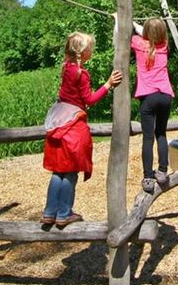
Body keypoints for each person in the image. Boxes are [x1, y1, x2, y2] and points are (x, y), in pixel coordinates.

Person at [41, 33, 123, 228]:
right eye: (90, 48)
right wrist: (108, 84)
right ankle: (63, 213)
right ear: (83, 52)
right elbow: (90, 100)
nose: (92, 51)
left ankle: (49, 212)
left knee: (58, 171)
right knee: (70, 172)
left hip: (59, 120)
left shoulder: (66, 68)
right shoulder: (81, 74)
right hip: (73, 124)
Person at [132, 18, 175, 193]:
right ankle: (163, 170)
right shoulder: (165, 45)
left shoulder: (137, 42)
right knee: (161, 133)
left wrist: (125, 20)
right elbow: (149, 33)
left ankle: (148, 177)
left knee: (148, 138)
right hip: (165, 96)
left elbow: (139, 32)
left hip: (148, 97)